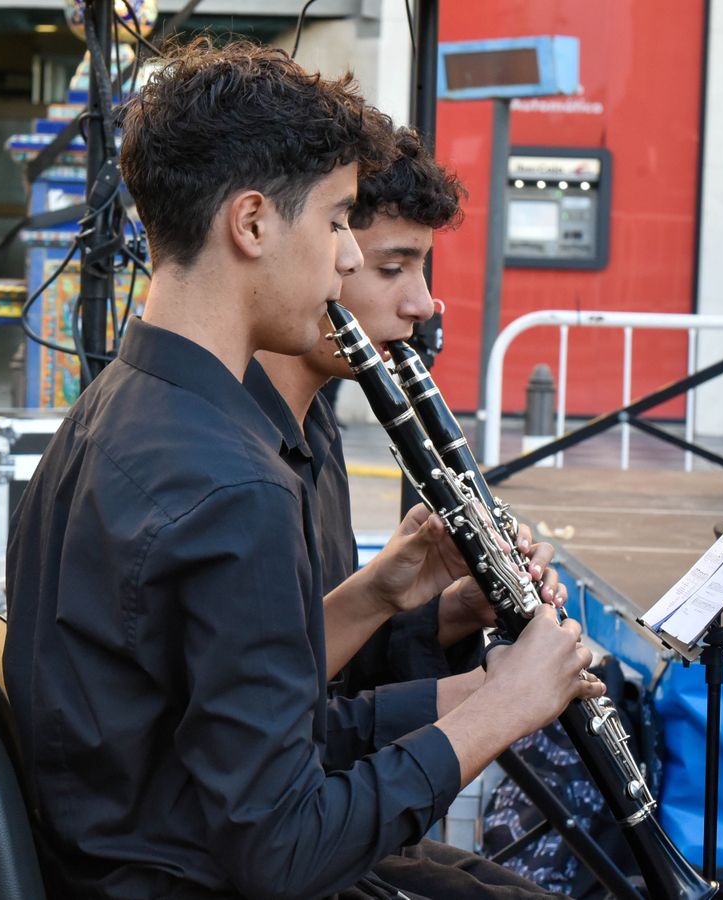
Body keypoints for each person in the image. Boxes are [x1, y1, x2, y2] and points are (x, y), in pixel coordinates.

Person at [2, 39, 606, 899]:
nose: (349, 258)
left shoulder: (117, 407)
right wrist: (500, 710)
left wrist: (391, 601)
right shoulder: (231, 482)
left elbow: (234, 718)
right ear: (251, 224)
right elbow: (286, 850)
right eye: (335, 222)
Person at [246, 123, 572, 896]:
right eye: (393, 266)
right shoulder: (236, 470)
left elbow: (305, 671)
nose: (424, 305)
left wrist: (441, 615)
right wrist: (484, 703)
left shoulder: (310, 427)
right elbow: (276, 742)